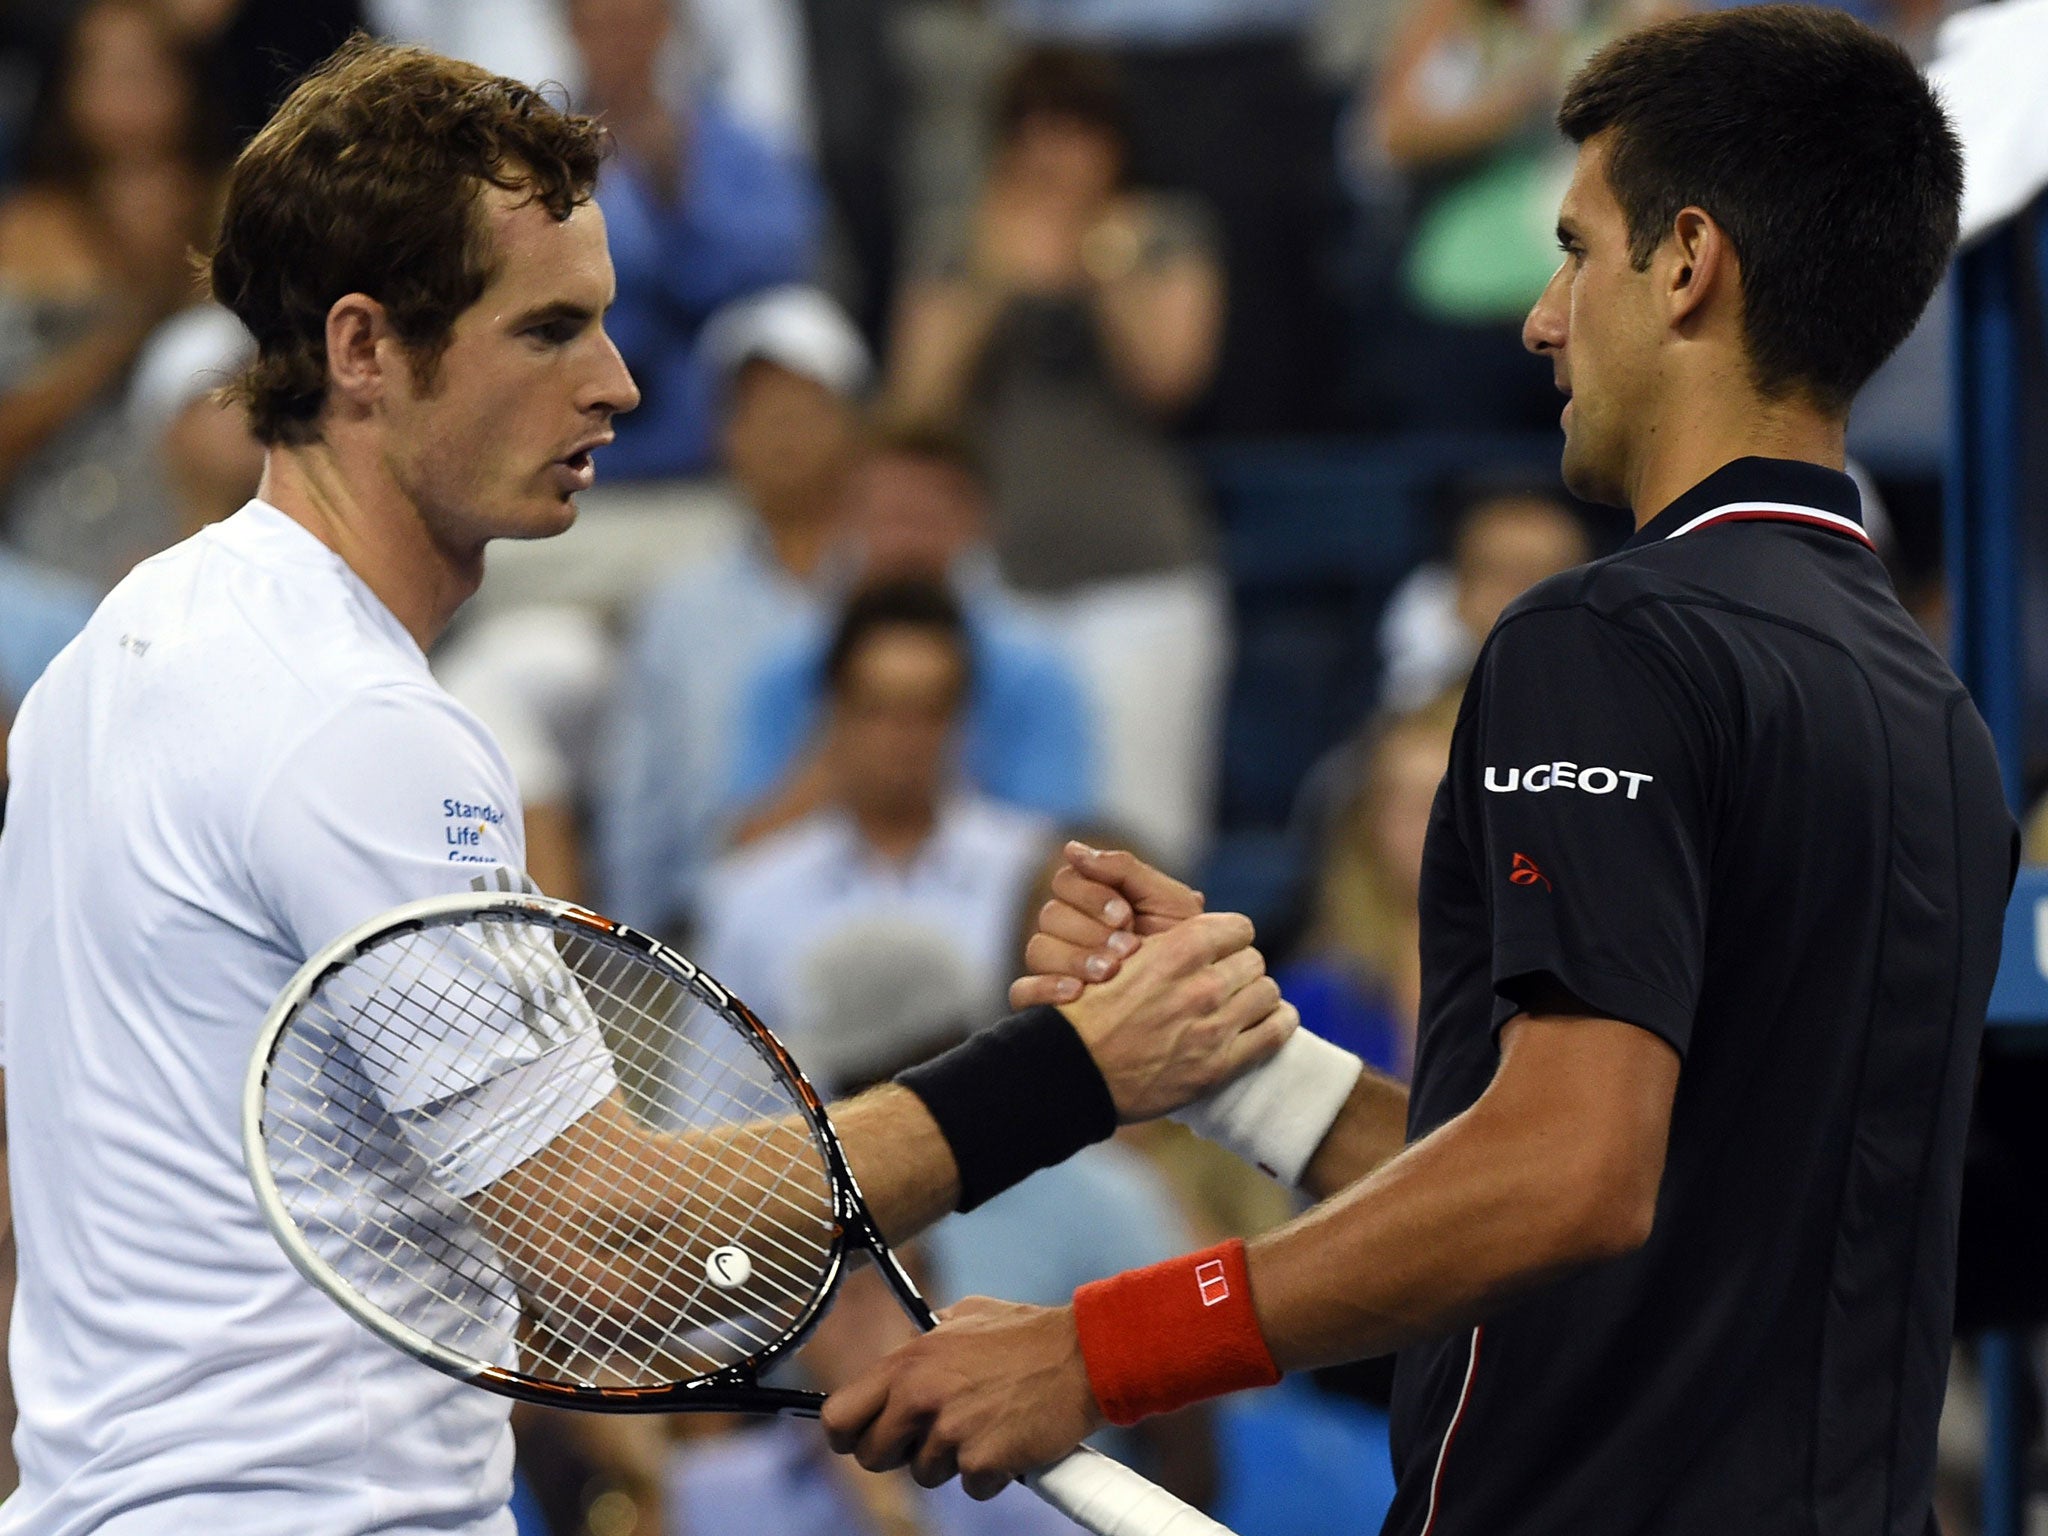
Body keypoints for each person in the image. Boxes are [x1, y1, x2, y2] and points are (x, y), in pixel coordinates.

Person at [0, 39, 1293, 1534]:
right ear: (362, 348)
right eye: (548, 331)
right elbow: (605, 1245)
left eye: (606, 325)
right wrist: (1069, 1073)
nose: (617, 385)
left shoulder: (108, 663)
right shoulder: (353, 724)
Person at [819, 12, 2022, 1535]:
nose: (1540, 316)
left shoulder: (1610, 640)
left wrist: (1093, 1348)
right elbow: (1640, 1215)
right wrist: (1247, 1074)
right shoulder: (1941, 723)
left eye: (1576, 249)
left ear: (1687, 262)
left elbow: (1567, 1177)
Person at [884, 44, 1230, 872]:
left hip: (1142, 579)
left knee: (1147, 838)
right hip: (997, 581)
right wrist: (999, 276)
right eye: (1034, 132)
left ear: (1112, 144)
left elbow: (1170, 376)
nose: (1054, 155)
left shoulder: (1164, 234)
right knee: (1002, 839)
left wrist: (1098, 258)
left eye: (1076, 131)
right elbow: (913, 406)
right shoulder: (959, 245)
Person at [597, 283, 868, 936]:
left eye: (804, 407)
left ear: (855, 423)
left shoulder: (910, 581)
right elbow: (641, 792)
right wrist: (634, 944)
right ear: (726, 433)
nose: (781, 433)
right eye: (756, 410)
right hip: (717, 934)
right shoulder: (679, 607)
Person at [696, 578, 1056, 1036]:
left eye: (929, 710)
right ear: (834, 714)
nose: (904, 738)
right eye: (880, 709)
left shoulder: (1032, 875)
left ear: (963, 720)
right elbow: (718, 1093)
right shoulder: (749, 895)